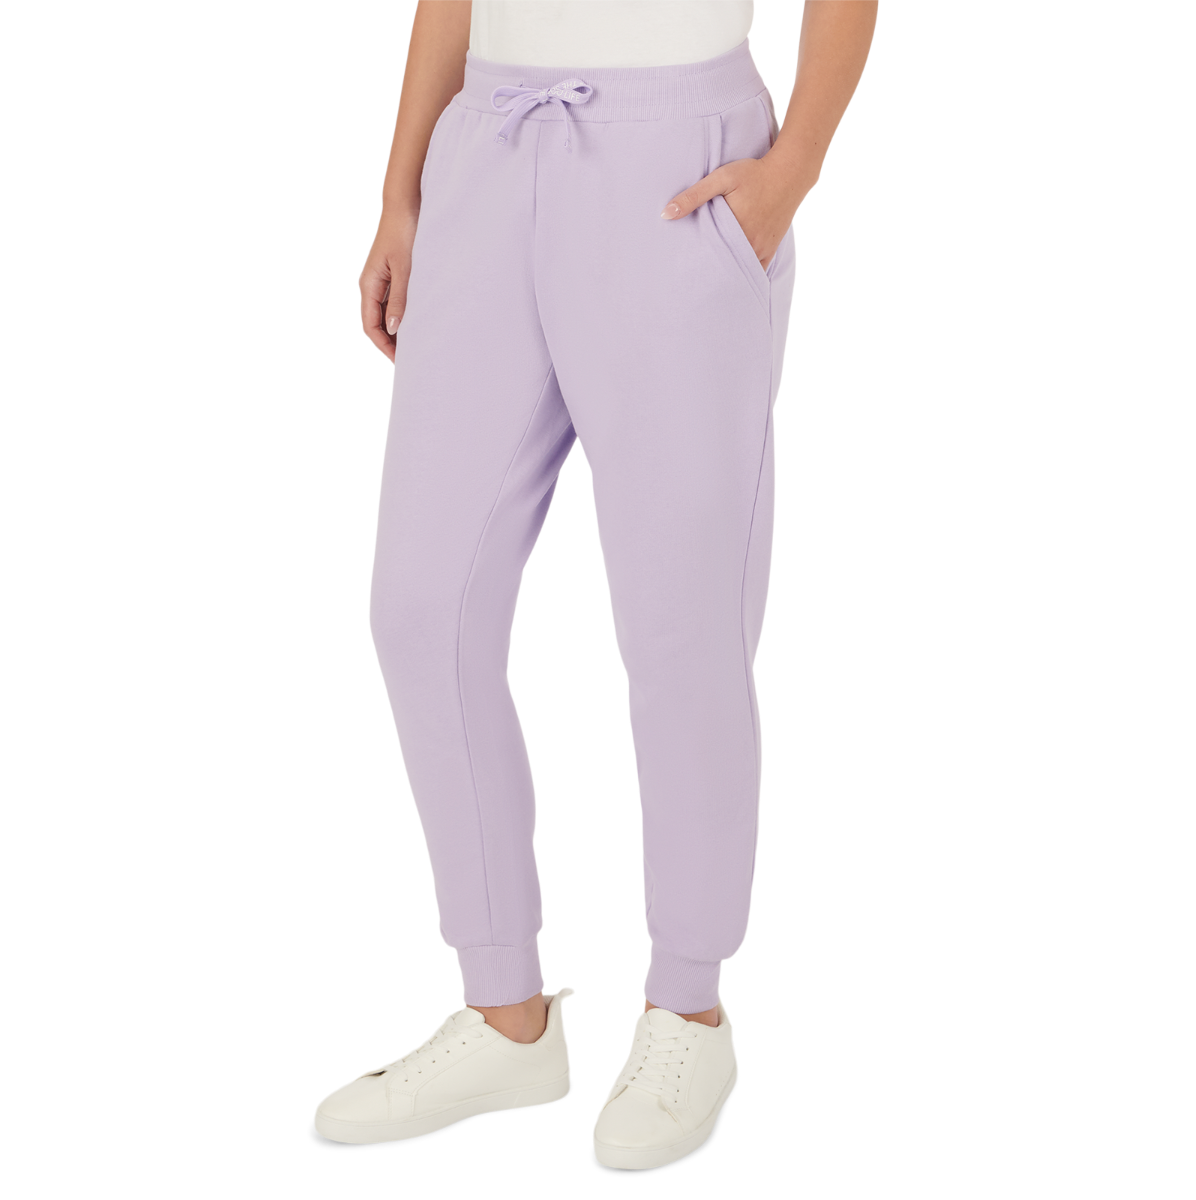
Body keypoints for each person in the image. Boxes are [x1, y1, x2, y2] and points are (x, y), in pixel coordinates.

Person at [316, 0, 877, 1168]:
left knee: (682, 621)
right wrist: (402, 190)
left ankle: (688, 1010)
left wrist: (791, 174)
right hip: (486, 144)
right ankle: (503, 1015)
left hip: (680, 161)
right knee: (419, 605)